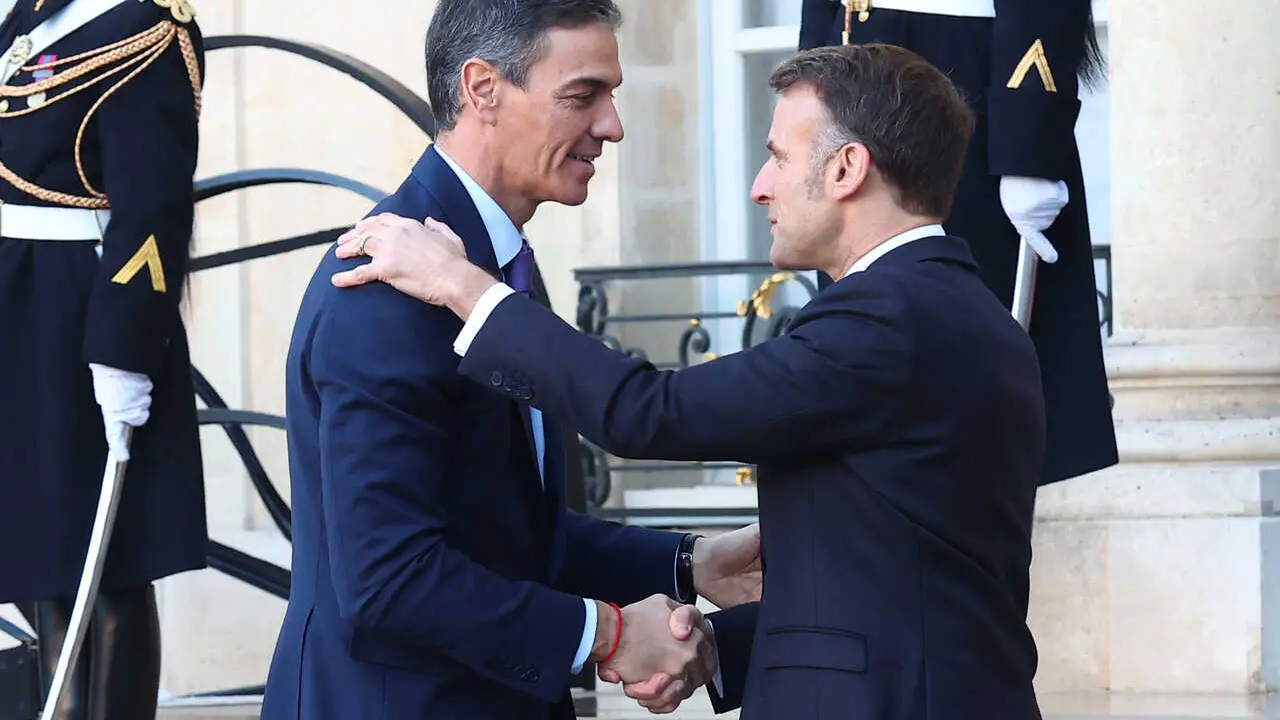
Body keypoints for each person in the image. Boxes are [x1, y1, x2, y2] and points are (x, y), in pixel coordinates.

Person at [332, 42, 1049, 719]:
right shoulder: (950, 307)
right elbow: (897, 584)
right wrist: (709, 643)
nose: (760, 186)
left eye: (776, 157)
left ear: (846, 170)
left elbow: (650, 412)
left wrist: (462, 287)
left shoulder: (890, 317)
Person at [258, 2, 762, 719]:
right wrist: (609, 634)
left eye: (611, 96)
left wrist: (688, 564)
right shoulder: (383, 285)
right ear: (482, 88)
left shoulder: (490, 266)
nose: (611, 125)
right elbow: (390, 577)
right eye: (582, 95)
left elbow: (506, 528)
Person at [799, 0, 1116, 486]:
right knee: (867, 356)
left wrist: (1027, 143)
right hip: (851, 66)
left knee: (970, 399)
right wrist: (807, 103)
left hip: (956, 75)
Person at [0, 0, 207, 718]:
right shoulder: (30, 16)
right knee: (47, 563)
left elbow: (152, 208)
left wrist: (123, 351)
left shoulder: (148, 28)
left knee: (109, 568)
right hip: (21, 321)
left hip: (81, 323)